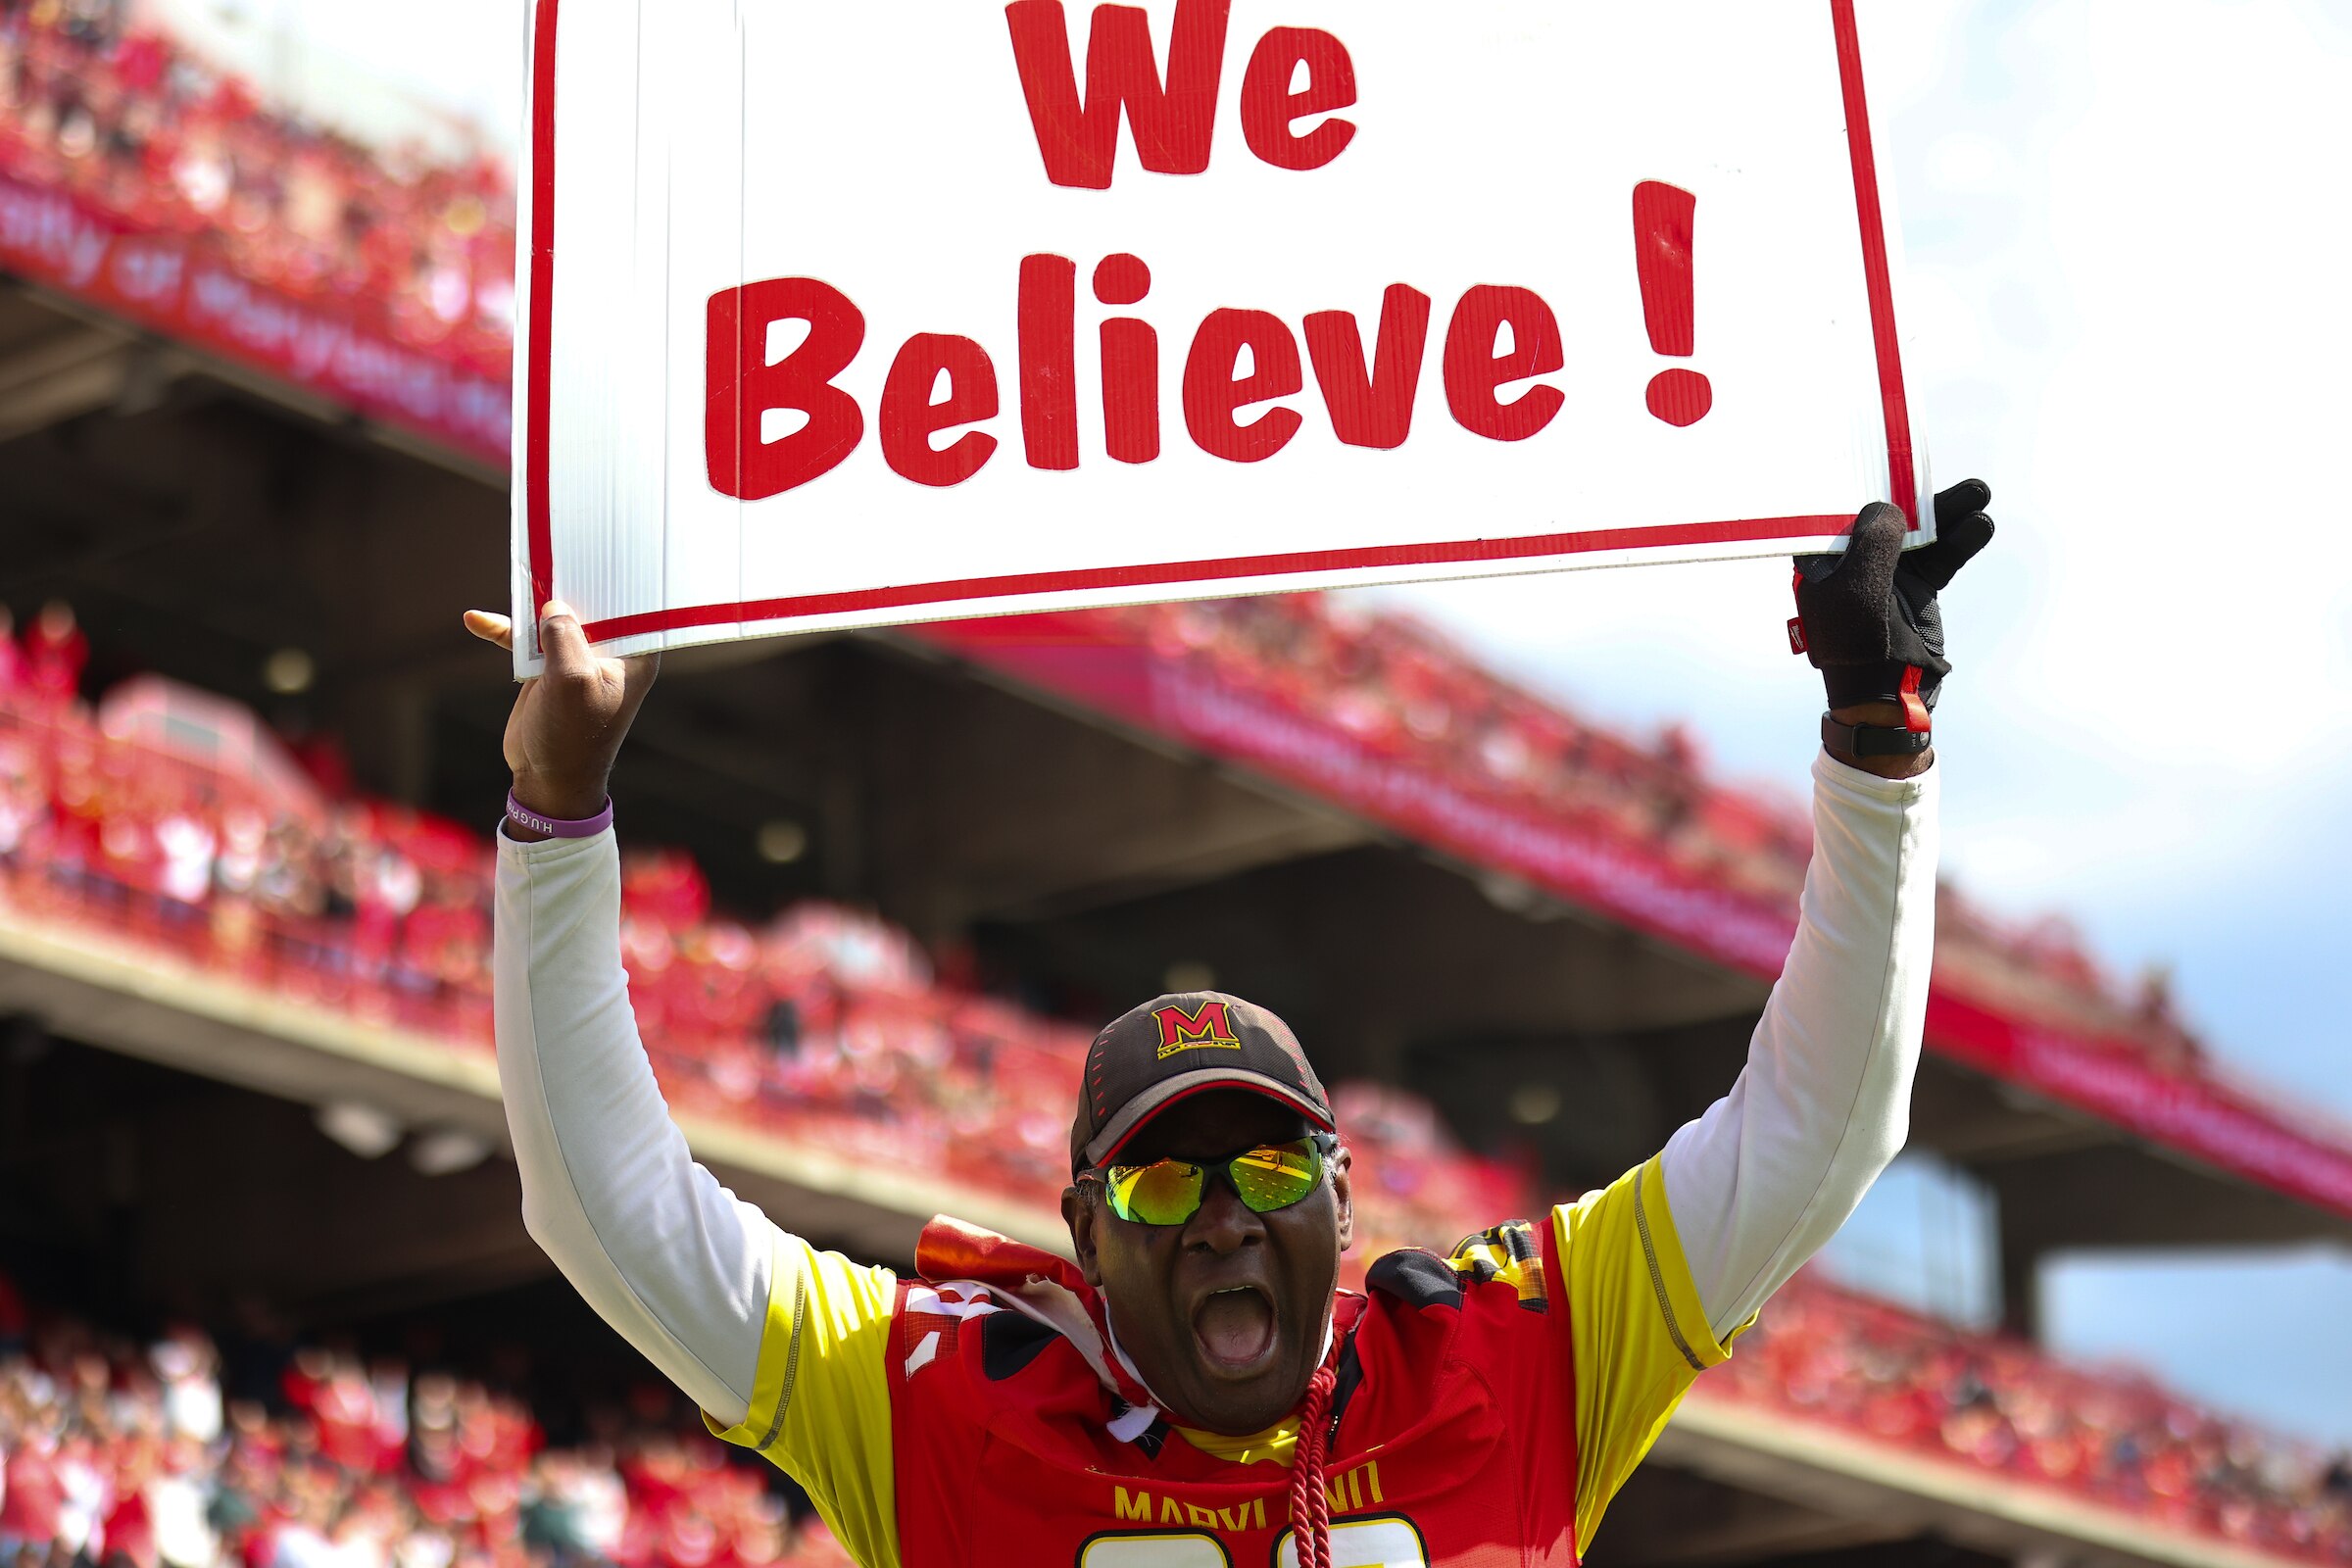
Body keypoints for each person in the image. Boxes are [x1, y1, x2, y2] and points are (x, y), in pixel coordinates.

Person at [467, 483, 1994, 1568]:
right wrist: (556, 811)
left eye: (1265, 1173)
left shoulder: (1513, 1355)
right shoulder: (941, 1405)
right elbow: (605, 1206)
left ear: (1342, 1196)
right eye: (1157, 1181)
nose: (1215, 1220)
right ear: (1082, 1226)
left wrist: (1877, 746)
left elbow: (1823, 1126)